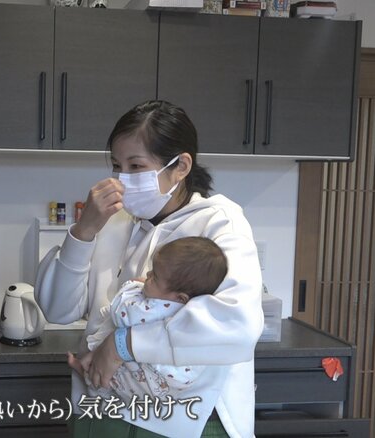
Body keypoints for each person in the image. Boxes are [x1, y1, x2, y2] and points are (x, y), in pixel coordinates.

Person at [35, 100, 263, 438]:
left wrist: (123, 344)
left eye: (136, 166)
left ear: (181, 166)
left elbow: (237, 324)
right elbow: (57, 310)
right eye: (117, 166)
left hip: (178, 421)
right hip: (101, 409)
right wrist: (84, 231)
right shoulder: (113, 222)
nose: (123, 179)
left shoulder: (219, 222)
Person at [70, 237, 229, 408]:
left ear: (180, 298)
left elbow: (121, 313)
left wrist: (131, 285)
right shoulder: (192, 312)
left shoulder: (159, 307)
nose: (147, 275)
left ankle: (90, 378)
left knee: (109, 373)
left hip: (152, 381)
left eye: (155, 277)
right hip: (177, 384)